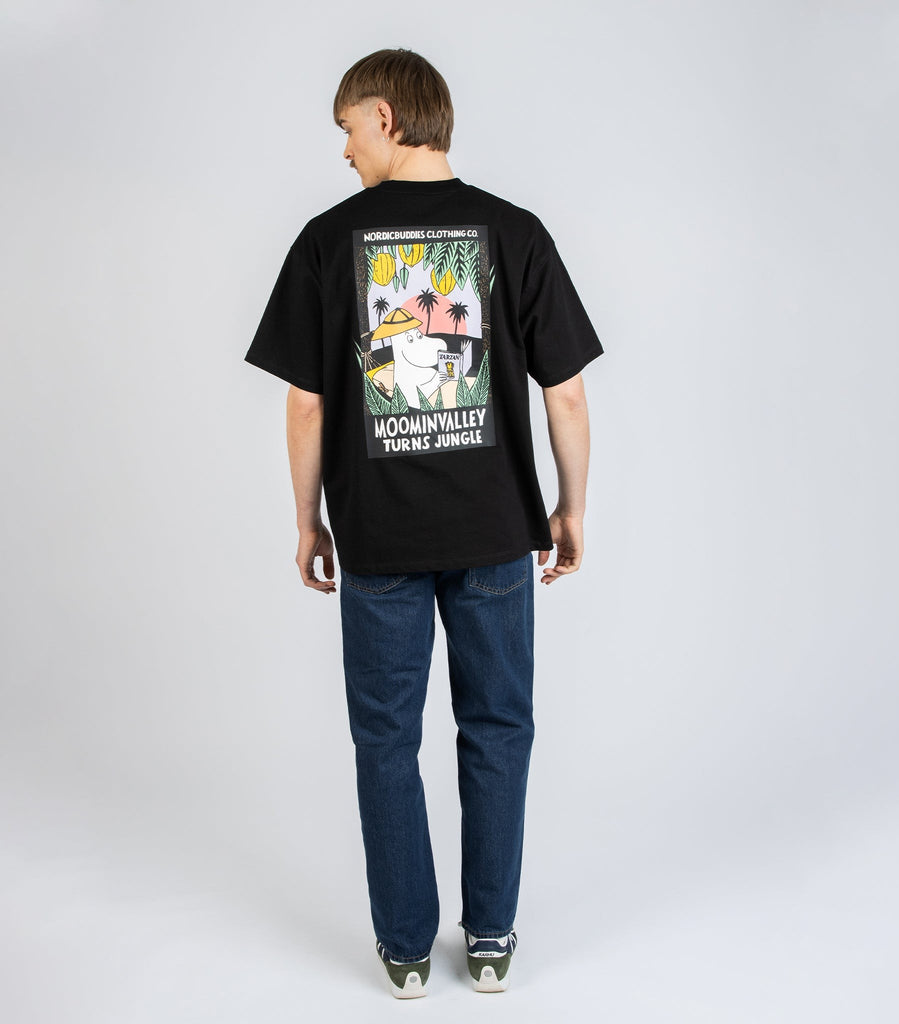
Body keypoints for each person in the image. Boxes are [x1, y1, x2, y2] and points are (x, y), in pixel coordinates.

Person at [244, 47, 603, 998]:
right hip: (496, 534)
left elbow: (307, 403)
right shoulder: (515, 232)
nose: (345, 152)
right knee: (499, 729)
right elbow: (566, 392)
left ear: (386, 118)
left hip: (380, 542)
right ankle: (490, 941)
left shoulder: (327, 241)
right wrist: (570, 506)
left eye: (347, 130)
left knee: (384, 740)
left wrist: (308, 519)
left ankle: (405, 952)